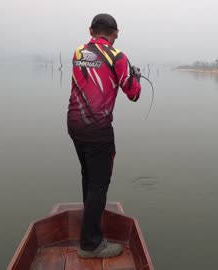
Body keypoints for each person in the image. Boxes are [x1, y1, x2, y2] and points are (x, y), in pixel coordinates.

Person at [67, 13, 142, 258]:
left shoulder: (78, 52)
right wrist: (135, 77)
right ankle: (90, 245)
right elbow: (133, 93)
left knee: (88, 178)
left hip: (74, 124)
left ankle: (91, 229)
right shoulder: (118, 56)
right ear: (116, 32)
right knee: (99, 185)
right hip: (98, 129)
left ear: (91, 30)